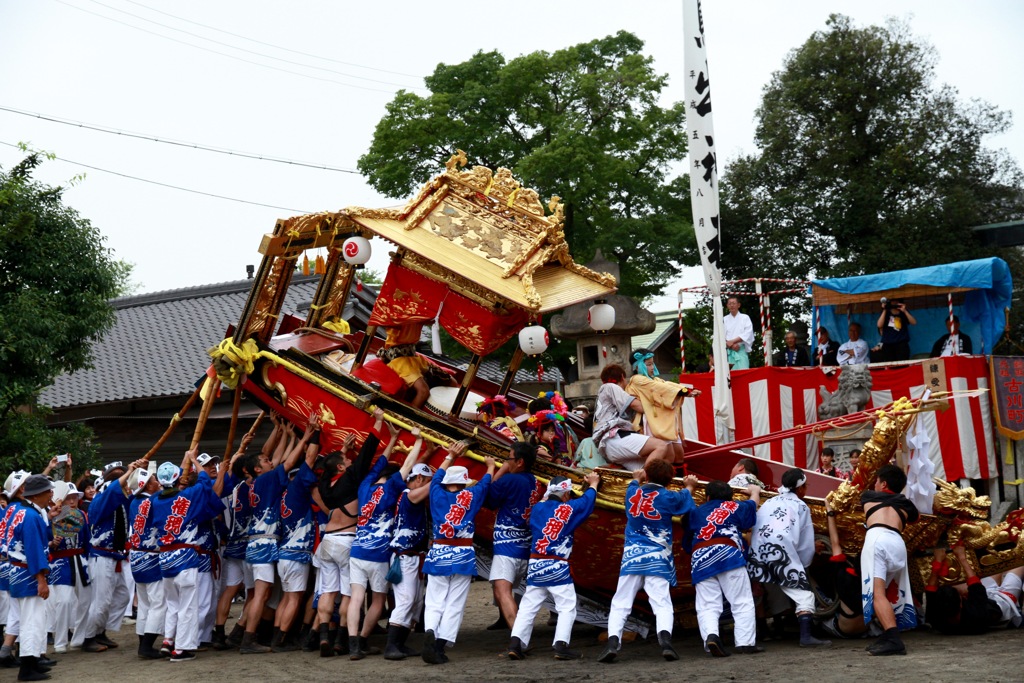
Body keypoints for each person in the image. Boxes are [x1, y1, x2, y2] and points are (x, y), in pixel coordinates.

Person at [599, 461, 698, 663]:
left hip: (632, 557)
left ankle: (612, 643)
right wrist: (689, 485)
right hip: (658, 557)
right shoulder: (668, 496)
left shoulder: (632, 493)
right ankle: (666, 642)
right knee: (661, 602)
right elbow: (685, 499)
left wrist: (637, 477)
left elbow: (633, 483)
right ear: (670, 479)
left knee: (620, 602)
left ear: (647, 476)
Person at [240, 417, 319, 654]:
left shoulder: (258, 482)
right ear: (258, 468)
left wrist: (287, 433)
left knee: (264, 594)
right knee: (262, 595)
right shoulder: (266, 479)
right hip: (264, 542)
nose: (270, 461)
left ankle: (245, 635)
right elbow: (285, 463)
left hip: (258, 541)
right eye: (265, 461)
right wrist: (306, 437)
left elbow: (279, 460)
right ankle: (248, 640)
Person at [314, 410, 388, 657]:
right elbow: (367, 453)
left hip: (326, 541)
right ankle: (339, 640)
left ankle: (324, 635)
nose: (350, 463)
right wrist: (378, 422)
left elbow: (328, 469)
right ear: (341, 467)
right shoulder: (351, 480)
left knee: (328, 591)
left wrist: (343, 452)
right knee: (348, 593)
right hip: (347, 541)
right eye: (346, 462)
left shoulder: (327, 486)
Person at [506, 472, 599, 661]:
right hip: (557, 567)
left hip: (536, 565)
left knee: (528, 607)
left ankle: (516, 644)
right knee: (566, 607)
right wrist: (594, 484)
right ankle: (561, 646)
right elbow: (587, 502)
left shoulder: (538, 508)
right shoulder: (569, 508)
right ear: (566, 495)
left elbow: (545, 501)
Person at [347, 425, 423, 659]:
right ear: (394, 479)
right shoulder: (392, 487)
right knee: (378, 599)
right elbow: (407, 466)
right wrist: (418, 441)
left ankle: (353, 646)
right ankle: (363, 640)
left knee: (357, 597)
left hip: (357, 550)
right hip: (379, 554)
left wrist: (392, 439)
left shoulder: (364, 487)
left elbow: (380, 463)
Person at [421, 441, 496, 665]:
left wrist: (450, 455)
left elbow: (436, 477)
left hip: (439, 551)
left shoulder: (435, 492)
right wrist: (490, 465)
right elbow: (485, 482)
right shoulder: (471, 495)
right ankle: (440, 645)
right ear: (463, 481)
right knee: (455, 602)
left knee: (434, 600)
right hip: (463, 553)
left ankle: (430, 631)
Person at [150, 451, 227, 662]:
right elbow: (204, 482)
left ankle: (168, 640)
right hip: (185, 556)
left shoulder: (155, 501)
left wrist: (186, 463)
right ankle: (182, 648)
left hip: (164, 559)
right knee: (187, 606)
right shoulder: (186, 498)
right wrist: (193, 460)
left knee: (173, 604)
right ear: (179, 479)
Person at [747, 468, 831, 648]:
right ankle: (806, 637)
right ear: (800, 489)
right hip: (780, 552)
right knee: (804, 595)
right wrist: (803, 564)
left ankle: (769, 632)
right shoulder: (801, 506)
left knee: (775, 588)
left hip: (757, 552)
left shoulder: (769, 502)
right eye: (806, 486)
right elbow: (806, 543)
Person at [687, 479, 762, 657]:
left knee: (707, 605)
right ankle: (745, 644)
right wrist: (755, 492)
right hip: (728, 554)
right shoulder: (734, 506)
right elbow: (751, 508)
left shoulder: (696, 512)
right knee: (741, 601)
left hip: (700, 558)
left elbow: (686, 532)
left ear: (707, 497)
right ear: (730, 497)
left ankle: (711, 636)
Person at [81, 460, 144, 653]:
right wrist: (129, 472)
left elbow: (134, 491)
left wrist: (137, 470)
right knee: (101, 600)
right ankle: (89, 637)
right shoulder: (100, 500)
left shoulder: (117, 500)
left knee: (122, 596)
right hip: (101, 556)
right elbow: (115, 490)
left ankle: (100, 631)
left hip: (114, 556)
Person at [273, 423, 323, 653]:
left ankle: (277, 637)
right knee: (294, 599)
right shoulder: (296, 490)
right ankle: (282, 640)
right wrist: (314, 434)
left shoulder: (283, 492)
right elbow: (310, 459)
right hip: (296, 555)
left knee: (286, 598)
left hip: (284, 554)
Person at [859, 464, 919, 656]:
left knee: (877, 594)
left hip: (877, 540)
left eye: (877, 481)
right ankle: (888, 633)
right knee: (888, 591)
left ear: (883, 484)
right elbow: (915, 518)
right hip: (898, 543)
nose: (874, 484)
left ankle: (893, 639)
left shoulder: (867, 496)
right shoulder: (905, 503)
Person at [384, 446, 436, 661]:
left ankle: (400, 644)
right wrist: (447, 464)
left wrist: (427, 454)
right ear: (421, 479)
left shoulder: (404, 492)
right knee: (406, 601)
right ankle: (391, 646)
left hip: (412, 555)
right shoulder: (409, 495)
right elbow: (431, 486)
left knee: (414, 602)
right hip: (405, 556)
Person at [483, 442, 541, 635]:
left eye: (509, 458)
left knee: (502, 591)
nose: (507, 462)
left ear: (520, 462)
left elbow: (486, 494)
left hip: (507, 546)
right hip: (526, 545)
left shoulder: (510, 481)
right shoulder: (536, 481)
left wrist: (497, 469)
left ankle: (519, 638)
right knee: (510, 592)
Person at [7, 474, 54, 682]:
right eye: (48, 491)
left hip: (16, 570)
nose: (51, 494)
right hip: (28, 573)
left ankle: (32, 662)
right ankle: (27, 668)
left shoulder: (16, 510)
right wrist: (41, 580)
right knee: (31, 622)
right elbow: (34, 550)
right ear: (38, 495)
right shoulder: (31, 516)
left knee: (30, 620)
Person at [925, 545, 1023, 635]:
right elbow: (975, 584)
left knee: (996, 568)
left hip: (982, 598)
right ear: (961, 603)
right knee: (1019, 564)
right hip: (1001, 602)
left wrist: (937, 562)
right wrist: (962, 558)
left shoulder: (936, 618)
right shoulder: (976, 615)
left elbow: (930, 589)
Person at [592, 364, 673, 472]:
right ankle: (647, 481)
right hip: (613, 438)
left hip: (612, 444)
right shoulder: (610, 386)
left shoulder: (604, 393)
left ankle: (643, 480)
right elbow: (638, 406)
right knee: (661, 446)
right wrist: (660, 405)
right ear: (622, 377)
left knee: (666, 458)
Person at [45, 481, 89, 656]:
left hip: (81, 560)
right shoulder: (51, 517)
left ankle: (78, 639)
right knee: (64, 601)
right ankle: (60, 640)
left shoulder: (81, 515)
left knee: (85, 601)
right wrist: (51, 543)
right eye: (68, 498)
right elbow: (42, 539)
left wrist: (88, 558)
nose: (72, 501)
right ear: (60, 500)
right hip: (60, 561)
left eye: (74, 498)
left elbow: (87, 539)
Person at [125, 468, 164, 659]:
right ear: (148, 485)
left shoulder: (134, 502)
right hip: (151, 557)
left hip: (136, 556)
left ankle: (144, 643)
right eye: (155, 479)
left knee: (145, 603)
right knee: (158, 602)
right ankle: (147, 645)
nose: (158, 482)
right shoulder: (153, 502)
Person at [723, 296, 754, 369]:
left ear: (738, 305)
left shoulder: (745, 317)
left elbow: (748, 333)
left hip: (741, 350)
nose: (732, 305)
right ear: (727, 306)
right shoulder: (724, 319)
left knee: (743, 374)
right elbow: (721, 336)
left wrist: (733, 341)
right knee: (730, 377)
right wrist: (730, 345)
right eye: (730, 303)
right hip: (728, 351)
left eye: (734, 303)